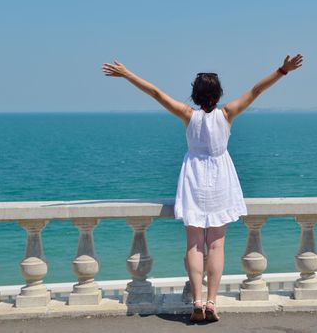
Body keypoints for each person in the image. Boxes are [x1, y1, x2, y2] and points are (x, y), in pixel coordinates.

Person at [101, 54, 303, 322]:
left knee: (194, 245)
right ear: (218, 94)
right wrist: (282, 70)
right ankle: (211, 301)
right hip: (221, 179)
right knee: (216, 246)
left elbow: (156, 93)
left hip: (194, 179)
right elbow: (256, 90)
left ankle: (196, 299)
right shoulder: (228, 113)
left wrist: (127, 74)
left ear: (194, 95)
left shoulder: (188, 115)